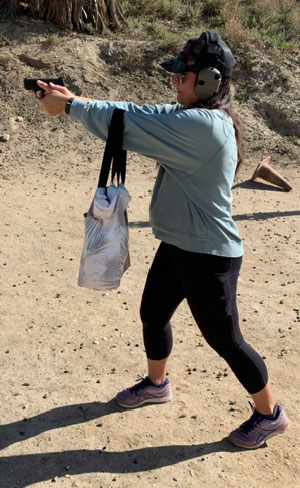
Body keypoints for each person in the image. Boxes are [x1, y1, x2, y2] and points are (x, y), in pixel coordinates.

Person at [37, 31, 289, 449]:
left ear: (208, 80)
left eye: (182, 77)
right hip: (178, 244)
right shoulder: (190, 117)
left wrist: (69, 107)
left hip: (209, 253)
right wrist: (74, 100)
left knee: (226, 339)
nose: (175, 84)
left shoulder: (203, 127)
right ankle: (157, 384)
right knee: (153, 313)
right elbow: (135, 112)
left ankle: (269, 414)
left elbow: (132, 124)